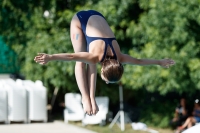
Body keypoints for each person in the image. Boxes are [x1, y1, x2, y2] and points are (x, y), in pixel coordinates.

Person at [34, 10, 175, 115]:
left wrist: (159, 61)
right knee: (80, 62)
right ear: (104, 70)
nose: (106, 82)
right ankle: (85, 98)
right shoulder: (95, 57)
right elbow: (71, 56)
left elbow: (138, 61)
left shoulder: (119, 57)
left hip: (97, 15)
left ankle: (90, 98)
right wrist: (50, 57)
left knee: (90, 63)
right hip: (79, 20)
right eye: (107, 80)